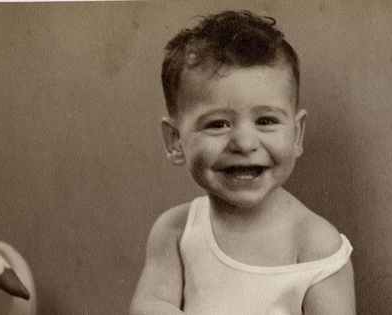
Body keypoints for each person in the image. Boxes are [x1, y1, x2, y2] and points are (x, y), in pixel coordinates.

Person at [129, 10, 355, 315]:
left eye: (265, 120)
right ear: (175, 141)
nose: (245, 143)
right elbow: (149, 305)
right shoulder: (175, 231)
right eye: (217, 124)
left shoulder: (315, 243)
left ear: (297, 134)